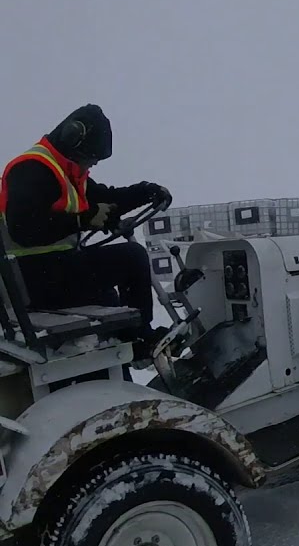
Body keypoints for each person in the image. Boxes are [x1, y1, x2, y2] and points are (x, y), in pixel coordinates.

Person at [0, 104, 171, 357]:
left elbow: (106, 199)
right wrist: (82, 221)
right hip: (32, 279)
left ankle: (125, 356)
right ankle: (142, 340)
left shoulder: (65, 170)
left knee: (110, 299)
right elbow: (23, 228)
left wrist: (146, 191)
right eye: (90, 158)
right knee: (132, 257)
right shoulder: (30, 169)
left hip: (49, 273)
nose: (91, 164)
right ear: (72, 138)